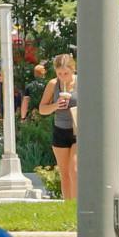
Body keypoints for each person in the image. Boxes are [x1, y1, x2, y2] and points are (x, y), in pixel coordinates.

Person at [38, 53, 79, 202]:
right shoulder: (53, 84)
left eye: (66, 73)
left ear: (73, 69)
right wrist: (55, 106)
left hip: (78, 131)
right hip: (60, 129)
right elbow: (42, 109)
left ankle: (77, 207)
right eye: (59, 73)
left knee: (74, 170)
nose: (63, 76)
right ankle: (69, 208)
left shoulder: (82, 82)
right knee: (65, 173)